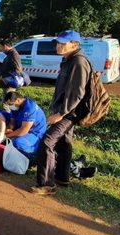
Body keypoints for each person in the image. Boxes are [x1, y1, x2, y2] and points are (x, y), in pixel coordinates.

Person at [31, 30, 92, 195]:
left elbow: (77, 93)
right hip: (65, 111)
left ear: (74, 44)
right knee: (64, 144)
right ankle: (62, 177)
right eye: (58, 43)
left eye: (62, 43)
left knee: (46, 143)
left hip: (68, 113)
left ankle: (46, 184)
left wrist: (61, 114)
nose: (58, 46)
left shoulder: (78, 62)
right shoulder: (69, 60)